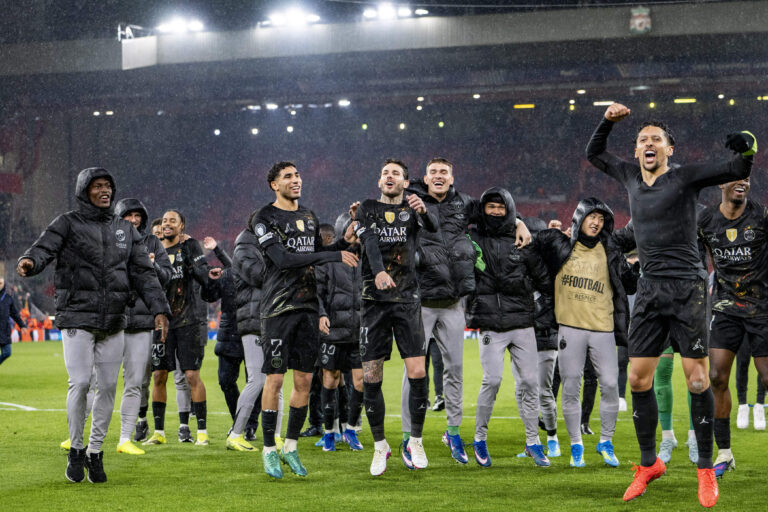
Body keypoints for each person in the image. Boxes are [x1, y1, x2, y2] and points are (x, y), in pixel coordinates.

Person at [586, 102, 754, 507]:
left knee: (697, 381)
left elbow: (736, 170)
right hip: (648, 289)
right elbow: (594, 154)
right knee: (638, 380)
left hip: (687, 289)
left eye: (656, 139)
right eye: (642, 139)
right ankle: (649, 465)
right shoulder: (628, 174)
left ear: (669, 150)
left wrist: (746, 149)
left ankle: (704, 470)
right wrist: (607, 122)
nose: (648, 144)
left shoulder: (684, 178)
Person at [17, 167, 169, 483]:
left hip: (114, 319)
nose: (104, 191)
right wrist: (30, 262)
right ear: (84, 190)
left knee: (109, 387)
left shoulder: (125, 231)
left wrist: (159, 309)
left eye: (108, 187)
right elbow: (44, 247)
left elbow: (144, 273)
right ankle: (75, 448)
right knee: (82, 382)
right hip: (76, 316)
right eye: (98, 186)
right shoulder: (67, 223)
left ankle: (95, 452)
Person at [401, 157, 531, 465]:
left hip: (452, 302)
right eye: (433, 172)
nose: (439, 176)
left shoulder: (464, 203)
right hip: (419, 302)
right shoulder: (411, 201)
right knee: (414, 372)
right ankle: (408, 438)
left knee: (455, 371)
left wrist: (520, 221)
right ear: (425, 177)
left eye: (444, 172)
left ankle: (453, 432)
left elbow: (497, 211)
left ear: (451, 177)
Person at [253, 161, 358, 479]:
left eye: (297, 175)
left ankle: (291, 447)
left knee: (303, 381)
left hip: (308, 308)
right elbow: (283, 260)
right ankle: (269, 449)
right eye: (288, 176)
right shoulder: (264, 218)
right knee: (275, 380)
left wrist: (345, 240)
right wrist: (333, 254)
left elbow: (316, 256)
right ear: (274, 184)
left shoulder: (309, 217)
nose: (296, 180)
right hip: (278, 309)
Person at [535, 198, 637, 468]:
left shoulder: (610, 249)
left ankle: (606, 441)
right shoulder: (560, 245)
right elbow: (533, 244)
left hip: (603, 329)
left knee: (611, 386)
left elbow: (630, 284)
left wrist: (635, 269)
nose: (596, 222)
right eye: (592, 217)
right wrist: (535, 227)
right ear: (580, 217)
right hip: (570, 327)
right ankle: (576, 444)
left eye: (601, 219)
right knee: (570, 388)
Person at [355, 158, 438, 475]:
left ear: (405, 183)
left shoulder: (413, 211)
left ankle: (415, 440)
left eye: (396, 173)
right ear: (380, 182)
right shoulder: (367, 208)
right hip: (373, 301)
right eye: (385, 172)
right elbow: (370, 242)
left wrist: (424, 211)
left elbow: (434, 228)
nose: (389, 176)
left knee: (418, 372)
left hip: (406, 298)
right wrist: (377, 272)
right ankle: (379, 447)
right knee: (371, 376)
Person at [467, 188, 552, 468]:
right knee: (491, 381)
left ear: (509, 209)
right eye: (489, 207)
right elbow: (461, 207)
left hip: (522, 324)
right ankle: (479, 438)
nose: (494, 211)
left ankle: (532, 443)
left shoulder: (524, 242)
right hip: (491, 323)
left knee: (529, 383)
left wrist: (538, 314)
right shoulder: (475, 237)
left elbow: (544, 281)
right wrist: (518, 221)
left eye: (500, 208)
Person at [698, 176, 768, 477]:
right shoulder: (706, 221)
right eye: (737, 179)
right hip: (725, 308)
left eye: (747, 179)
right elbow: (697, 259)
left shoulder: (761, 216)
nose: (743, 183)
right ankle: (724, 453)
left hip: (762, 308)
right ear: (721, 185)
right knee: (716, 376)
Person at [144, 209, 220, 447]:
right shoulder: (153, 253)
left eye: (172, 221)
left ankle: (202, 432)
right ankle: (158, 432)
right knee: (158, 375)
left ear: (181, 227)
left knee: (191, 375)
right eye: (164, 221)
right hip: (162, 323)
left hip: (188, 322)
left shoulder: (188, 248)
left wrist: (198, 259)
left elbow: (204, 277)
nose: (167, 224)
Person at [113, 198, 173, 455]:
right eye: (129, 215)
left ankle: (128, 434)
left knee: (137, 380)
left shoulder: (153, 243)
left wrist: (152, 264)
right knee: (96, 382)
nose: (134, 220)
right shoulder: (108, 243)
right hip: (111, 320)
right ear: (119, 217)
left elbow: (167, 277)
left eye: (138, 216)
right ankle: (80, 435)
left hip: (140, 322)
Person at [316, 212, 365, 452]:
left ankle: (351, 430)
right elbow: (319, 291)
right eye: (352, 231)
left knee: (360, 382)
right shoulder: (331, 259)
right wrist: (322, 314)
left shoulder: (368, 258)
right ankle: (328, 433)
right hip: (334, 329)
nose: (356, 236)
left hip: (358, 330)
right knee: (331, 379)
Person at [735, 338, 766, 429]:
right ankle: (742, 406)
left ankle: (760, 405)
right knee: (742, 363)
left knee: (763, 364)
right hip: (743, 328)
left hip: (762, 326)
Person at [0, 276, 26, 365]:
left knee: (7, 353)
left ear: (4, 284)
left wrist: (22, 325)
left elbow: (14, 313)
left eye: (0, 283)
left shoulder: (8, 297)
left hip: (4, 330)